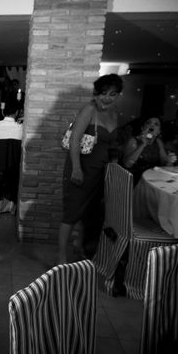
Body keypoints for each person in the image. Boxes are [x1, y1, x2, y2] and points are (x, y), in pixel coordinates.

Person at [59, 74, 123, 264]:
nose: (107, 98)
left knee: (89, 212)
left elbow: (112, 145)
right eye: (103, 93)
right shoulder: (89, 109)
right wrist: (76, 169)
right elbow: (74, 140)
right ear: (96, 94)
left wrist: (114, 165)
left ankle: (78, 245)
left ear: (118, 95)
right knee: (71, 213)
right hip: (81, 168)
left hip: (100, 172)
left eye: (112, 94)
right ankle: (61, 257)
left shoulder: (114, 114)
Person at [122, 116, 177, 183]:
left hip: (153, 179)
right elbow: (127, 164)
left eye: (156, 124)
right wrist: (142, 144)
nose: (152, 125)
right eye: (148, 123)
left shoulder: (158, 142)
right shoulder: (133, 141)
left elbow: (164, 164)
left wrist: (169, 160)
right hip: (134, 180)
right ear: (142, 128)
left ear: (158, 132)